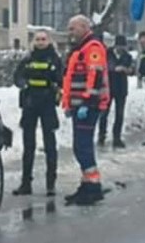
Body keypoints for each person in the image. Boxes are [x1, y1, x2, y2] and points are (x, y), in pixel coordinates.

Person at [62, 15, 110, 206]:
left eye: (73, 28)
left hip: (88, 106)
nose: (70, 32)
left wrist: (86, 102)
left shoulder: (93, 48)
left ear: (84, 27)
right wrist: (68, 103)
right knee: (80, 146)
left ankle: (93, 186)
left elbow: (95, 76)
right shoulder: (80, 49)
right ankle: (86, 184)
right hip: (79, 105)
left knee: (83, 146)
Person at [12, 30, 63, 197]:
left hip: (47, 104)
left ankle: (51, 184)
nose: (40, 42)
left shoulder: (55, 58)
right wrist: (23, 84)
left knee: (50, 145)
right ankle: (26, 183)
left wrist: (56, 86)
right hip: (30, 104)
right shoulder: (28, 58)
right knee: (29, 146)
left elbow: (61, 78)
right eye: (38, 39)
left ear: (49, 41)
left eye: (43, 39)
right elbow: (17, 76)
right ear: (33, 42)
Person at [99, 34, 132, 149]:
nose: (121, 49)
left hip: (121, 88)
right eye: (120, 47)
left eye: (123, 47)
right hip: (108, 87)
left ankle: (116, 137)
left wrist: (126, 69)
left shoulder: (127, 56)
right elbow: (104, 66)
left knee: (120, 114)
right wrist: (114, 69)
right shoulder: (107, 53)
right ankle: (101, 135)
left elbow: (131, 69)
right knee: (104, 113)